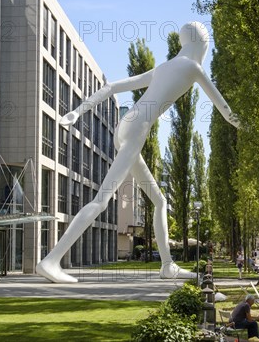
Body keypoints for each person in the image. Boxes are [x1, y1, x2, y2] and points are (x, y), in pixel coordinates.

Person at [36, 22, 240, 283]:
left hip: (125, 127)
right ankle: (52, 260)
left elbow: (112, 88)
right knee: (101, 200)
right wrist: (249, 126)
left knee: (160, 201)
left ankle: (167, 265)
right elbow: (226, 110)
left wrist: (79, 111)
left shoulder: (163, 68)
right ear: (203, 43)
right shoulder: (193, 68)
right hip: (137, 130)